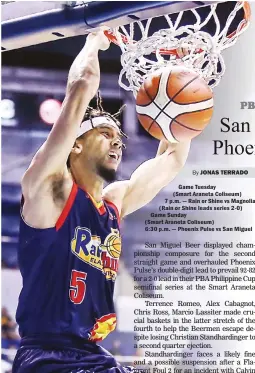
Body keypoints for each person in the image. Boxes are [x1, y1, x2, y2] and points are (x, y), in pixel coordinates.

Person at [13, 30, 190, 373]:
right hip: (48, 358)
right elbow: (80, 88)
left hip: (93, 355)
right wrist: (94, 39)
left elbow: (171, 158)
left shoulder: (113, 203)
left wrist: (180, 90)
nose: (117, 144)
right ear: (75, 145)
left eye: (119, 139)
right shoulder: (50, 189)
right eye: (104, 135)